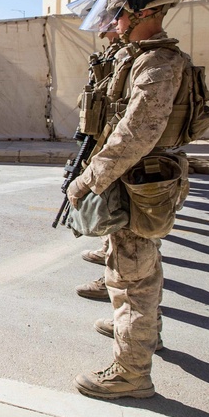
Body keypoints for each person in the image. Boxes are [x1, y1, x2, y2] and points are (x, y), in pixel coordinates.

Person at [68, 0, 191, 400]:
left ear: (143, 13)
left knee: (132, 276)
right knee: (139, 264)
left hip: (139, 180)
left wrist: (88, 180)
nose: (112, 22)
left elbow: (136, 133)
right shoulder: (139, 57)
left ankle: (131, 372)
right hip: (135, 177)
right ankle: (144, 333)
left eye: (118, 13)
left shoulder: (158, 63)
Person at [74, 23, 125, 302]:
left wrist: (87, 180)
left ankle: (128, 309)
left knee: (129, 240)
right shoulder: (121, 56)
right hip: (108, 144)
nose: (107, 31)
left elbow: (132, 134)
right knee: (120, 230)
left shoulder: (142, 60)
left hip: (123, 156)